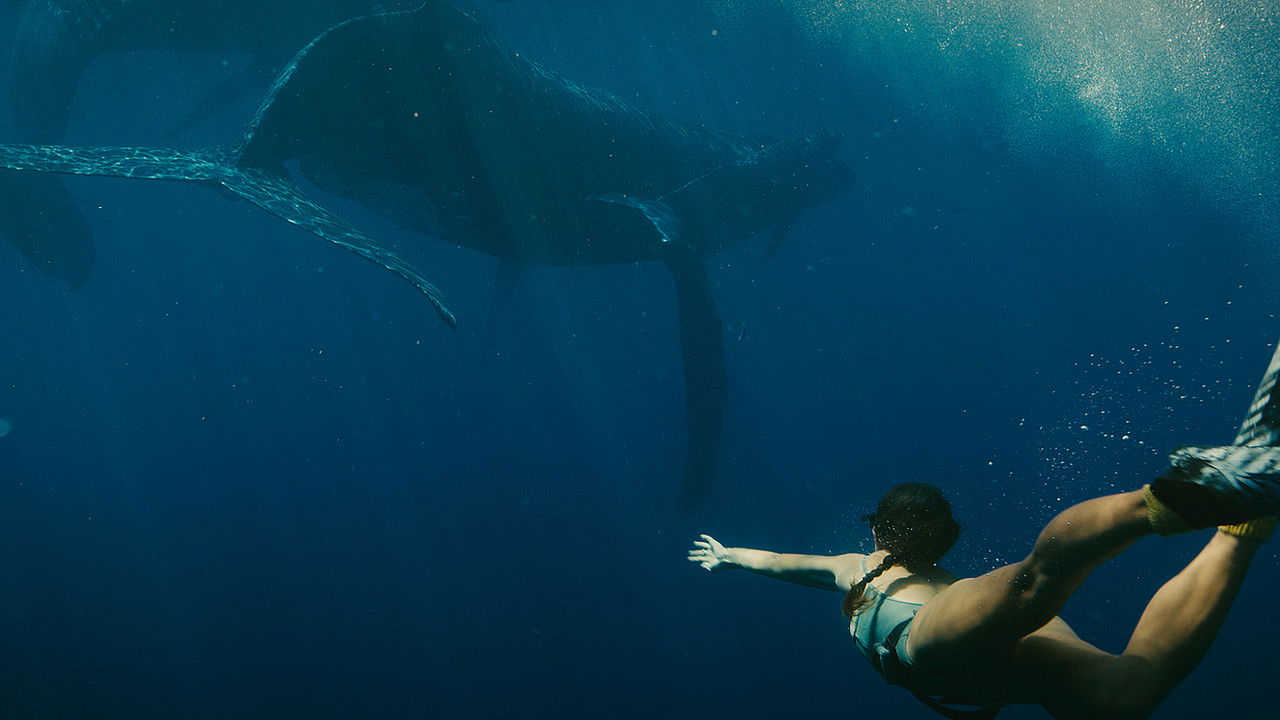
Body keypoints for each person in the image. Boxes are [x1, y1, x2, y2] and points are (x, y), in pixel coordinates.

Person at [689, 343, 1280, 719]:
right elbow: (774, 561)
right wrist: (732, 556)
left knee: (1032, 585)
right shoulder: (868, 566)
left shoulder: (857, 566)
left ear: (879, 530)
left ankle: (1181, 494)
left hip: (925, 641)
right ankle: (1243, 512)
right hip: (996, 667)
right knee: (1122, 697)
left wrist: (730, 556)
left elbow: (775, 561)